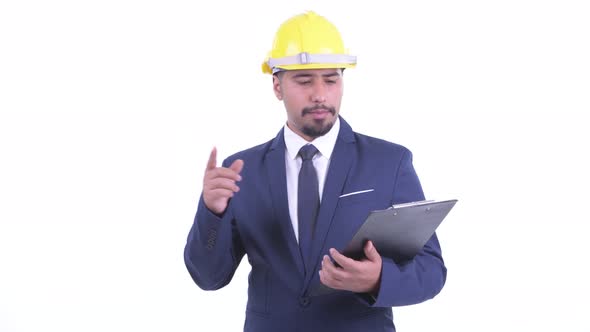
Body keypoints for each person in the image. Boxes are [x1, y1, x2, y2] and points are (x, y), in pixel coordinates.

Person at [184, 11, 446, 332]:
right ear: (277, 86)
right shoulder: (242, 171)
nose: (320, 94)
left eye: (331, 79)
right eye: (305, 81)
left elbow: (431, 271)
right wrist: (211, 212)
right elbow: (208, 278)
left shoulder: (389, 162)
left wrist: (379, 279)